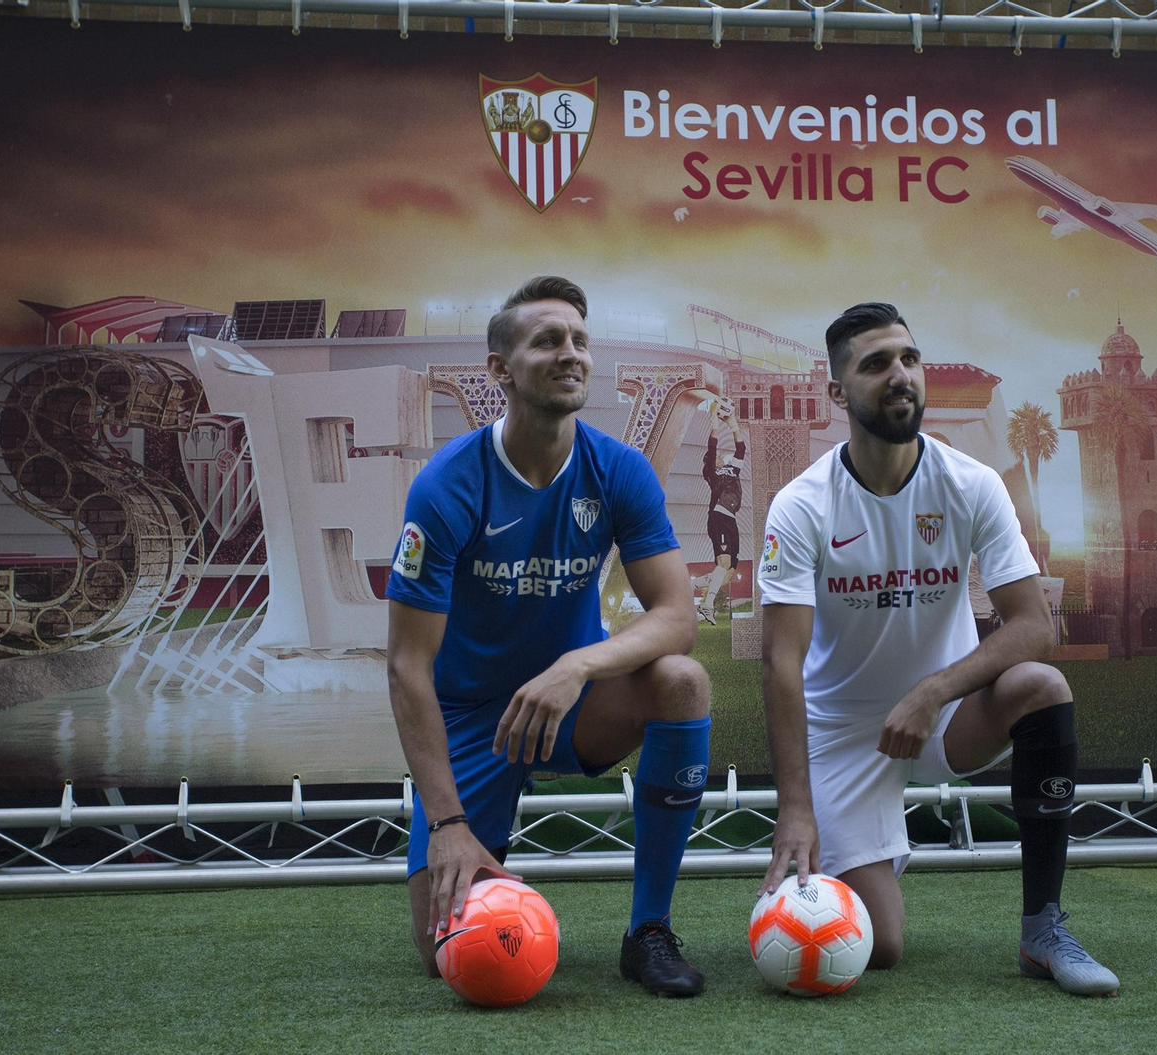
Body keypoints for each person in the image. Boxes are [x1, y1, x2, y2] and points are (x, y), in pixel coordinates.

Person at [757, 302, 1118, 997]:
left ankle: (1043, 930)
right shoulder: (802, 505)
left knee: (1042, 685)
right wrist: (794, 808)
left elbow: (1033, 626)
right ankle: (866, 842)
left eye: (909, 358)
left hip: (946, 716)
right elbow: (781, 662)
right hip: (844, 734)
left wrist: (933, 691)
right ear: (837, 392)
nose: (900, 375)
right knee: (879, 947)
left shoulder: (970, 483)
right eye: (876, 364)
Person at [386, 276, 711, 997]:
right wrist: (446, 822)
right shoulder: (446, 485)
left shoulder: (618, 469)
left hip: (573, 704)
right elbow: (407, 666)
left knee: (682, 682)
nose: (572, 354)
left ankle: (649, 931)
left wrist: (577, 665)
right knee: (440, 952)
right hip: (473, 719)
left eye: (580, 341)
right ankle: (483, 862)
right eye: (548, 341)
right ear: (499, 369)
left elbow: (677, 618)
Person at [693, 399, 746, 625]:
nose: (717, 455)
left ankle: (689, 586)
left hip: (731, 519)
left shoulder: (732, 469)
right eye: (713, 456)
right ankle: (707, 605)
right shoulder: (712, 473)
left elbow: (741, 449)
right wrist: (714, 423)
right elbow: (712, 447)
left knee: (729, 573)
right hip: (718, 516)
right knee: (723, 564)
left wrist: (733, 425)